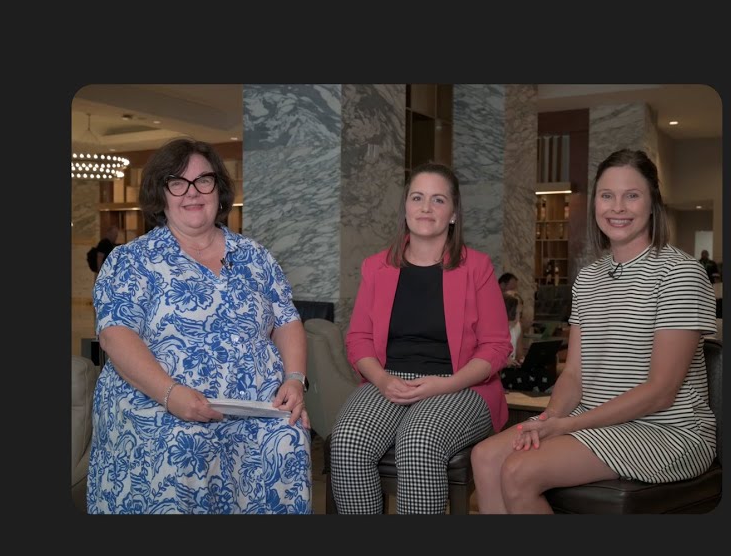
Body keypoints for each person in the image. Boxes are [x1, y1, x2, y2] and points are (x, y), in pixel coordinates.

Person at [470, 149, 717, 513]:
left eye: (631, 195)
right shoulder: (588, 279)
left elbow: (661, 393)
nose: (618, 207)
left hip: (665, 430)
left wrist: (567, 426)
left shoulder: (680, 274)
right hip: (592, 420)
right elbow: (573, 373)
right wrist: (551, 417)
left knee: (519, 470)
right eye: (607, 195)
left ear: (653, 203)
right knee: (486, 456)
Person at [85, 138, 310, 514]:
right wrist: (170, 394)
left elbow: (287, 320)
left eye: (203, 180)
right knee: (183, 445)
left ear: (218, 190)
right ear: (161, 193)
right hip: (158, 404)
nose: (192, 192)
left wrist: (294, 379)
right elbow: (114, 335)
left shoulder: (255, 256)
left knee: (289, 438)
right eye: (177, 182)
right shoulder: (132, 259)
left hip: (255, 408)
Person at [329, 163, 511, 514]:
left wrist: (447, 384)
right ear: (406, 207)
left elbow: (496, 346)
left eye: (438, 200)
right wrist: (382, 380)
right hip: (389, 380)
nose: (426, 208)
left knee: (418, 441)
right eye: (417, 198)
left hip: (460, 384)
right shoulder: (376, 267)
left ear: (453, 213)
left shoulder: (477, 267)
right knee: (348, 441)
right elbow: (359, 339)